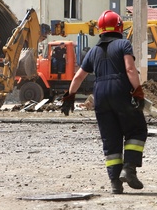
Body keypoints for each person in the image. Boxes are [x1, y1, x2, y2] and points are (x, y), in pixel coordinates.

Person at [61, 10, 147, 194]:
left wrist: (70, 96)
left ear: (100, 29)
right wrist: (138, 91)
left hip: (100, 95)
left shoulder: (93, 51)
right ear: (119, 27)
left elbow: (78, 77)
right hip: (120, 90)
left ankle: (115, 182)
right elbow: (130, 69)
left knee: (111, 138)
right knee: (137, 129)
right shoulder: (124, 44)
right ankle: (129, 169)